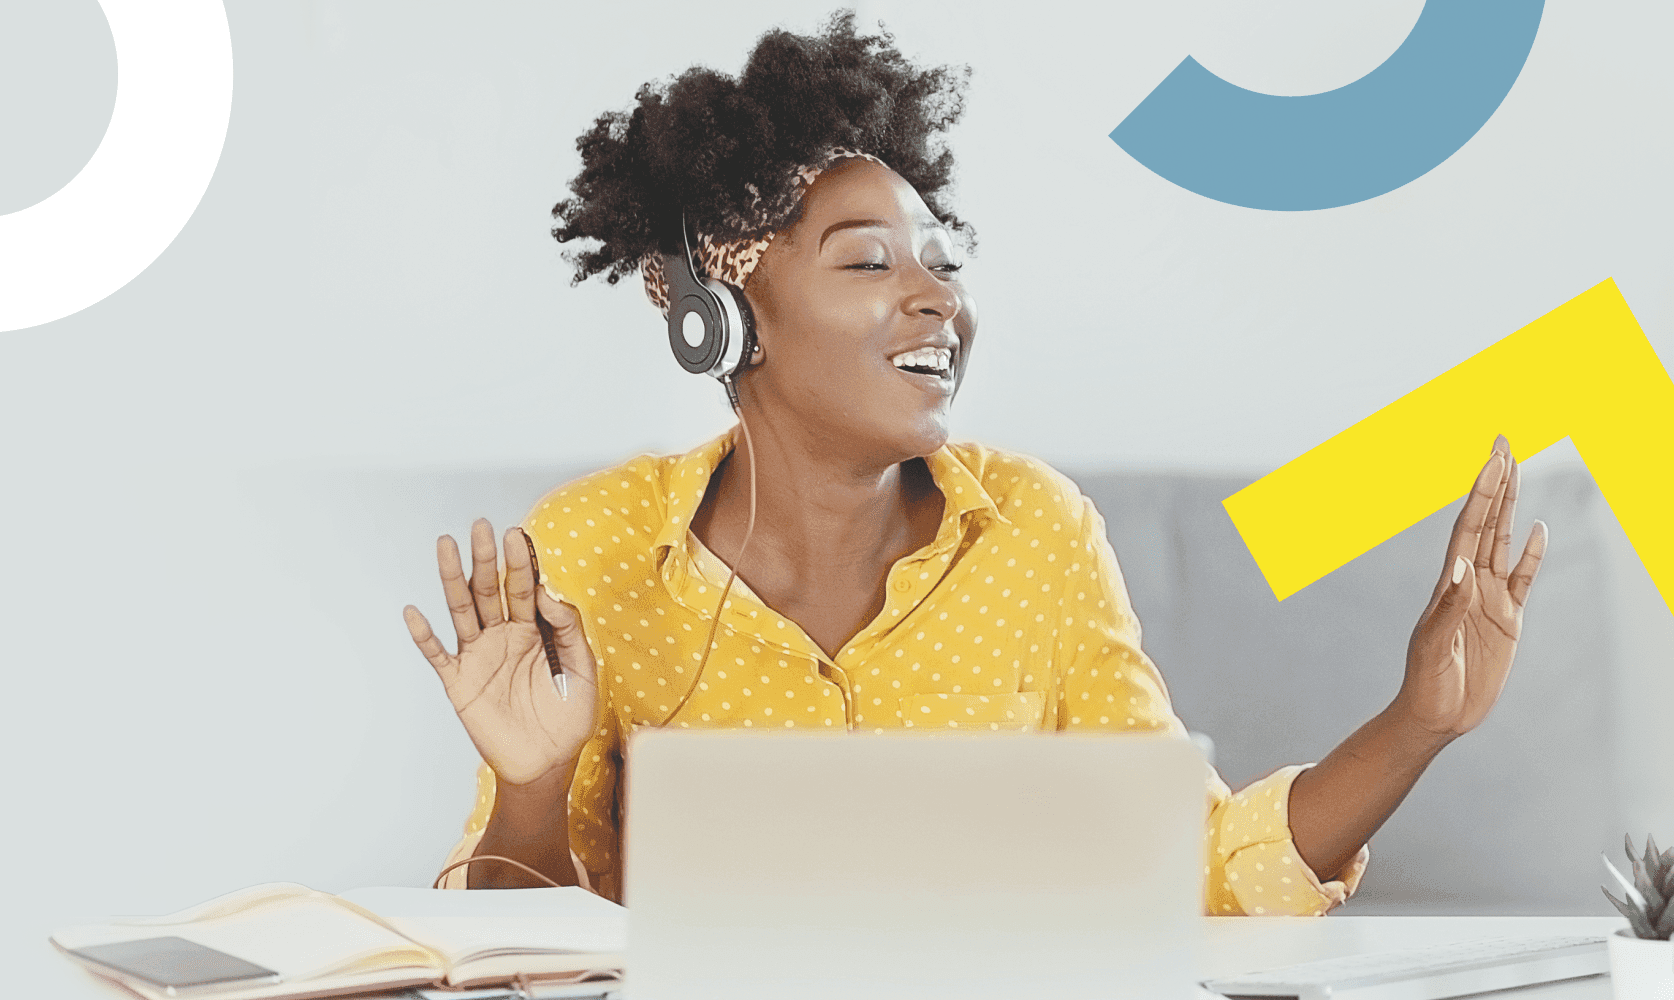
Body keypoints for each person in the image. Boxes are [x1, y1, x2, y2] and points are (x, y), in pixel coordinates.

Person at [400, 14, 1547, 916]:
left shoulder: (1036, 528)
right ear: (726, 321)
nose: (937, 296)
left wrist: (1415, 724)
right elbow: (517, 953)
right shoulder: (597, 548)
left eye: (944, 263)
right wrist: (533, 783)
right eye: (868, 263)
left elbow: (1189, 866)